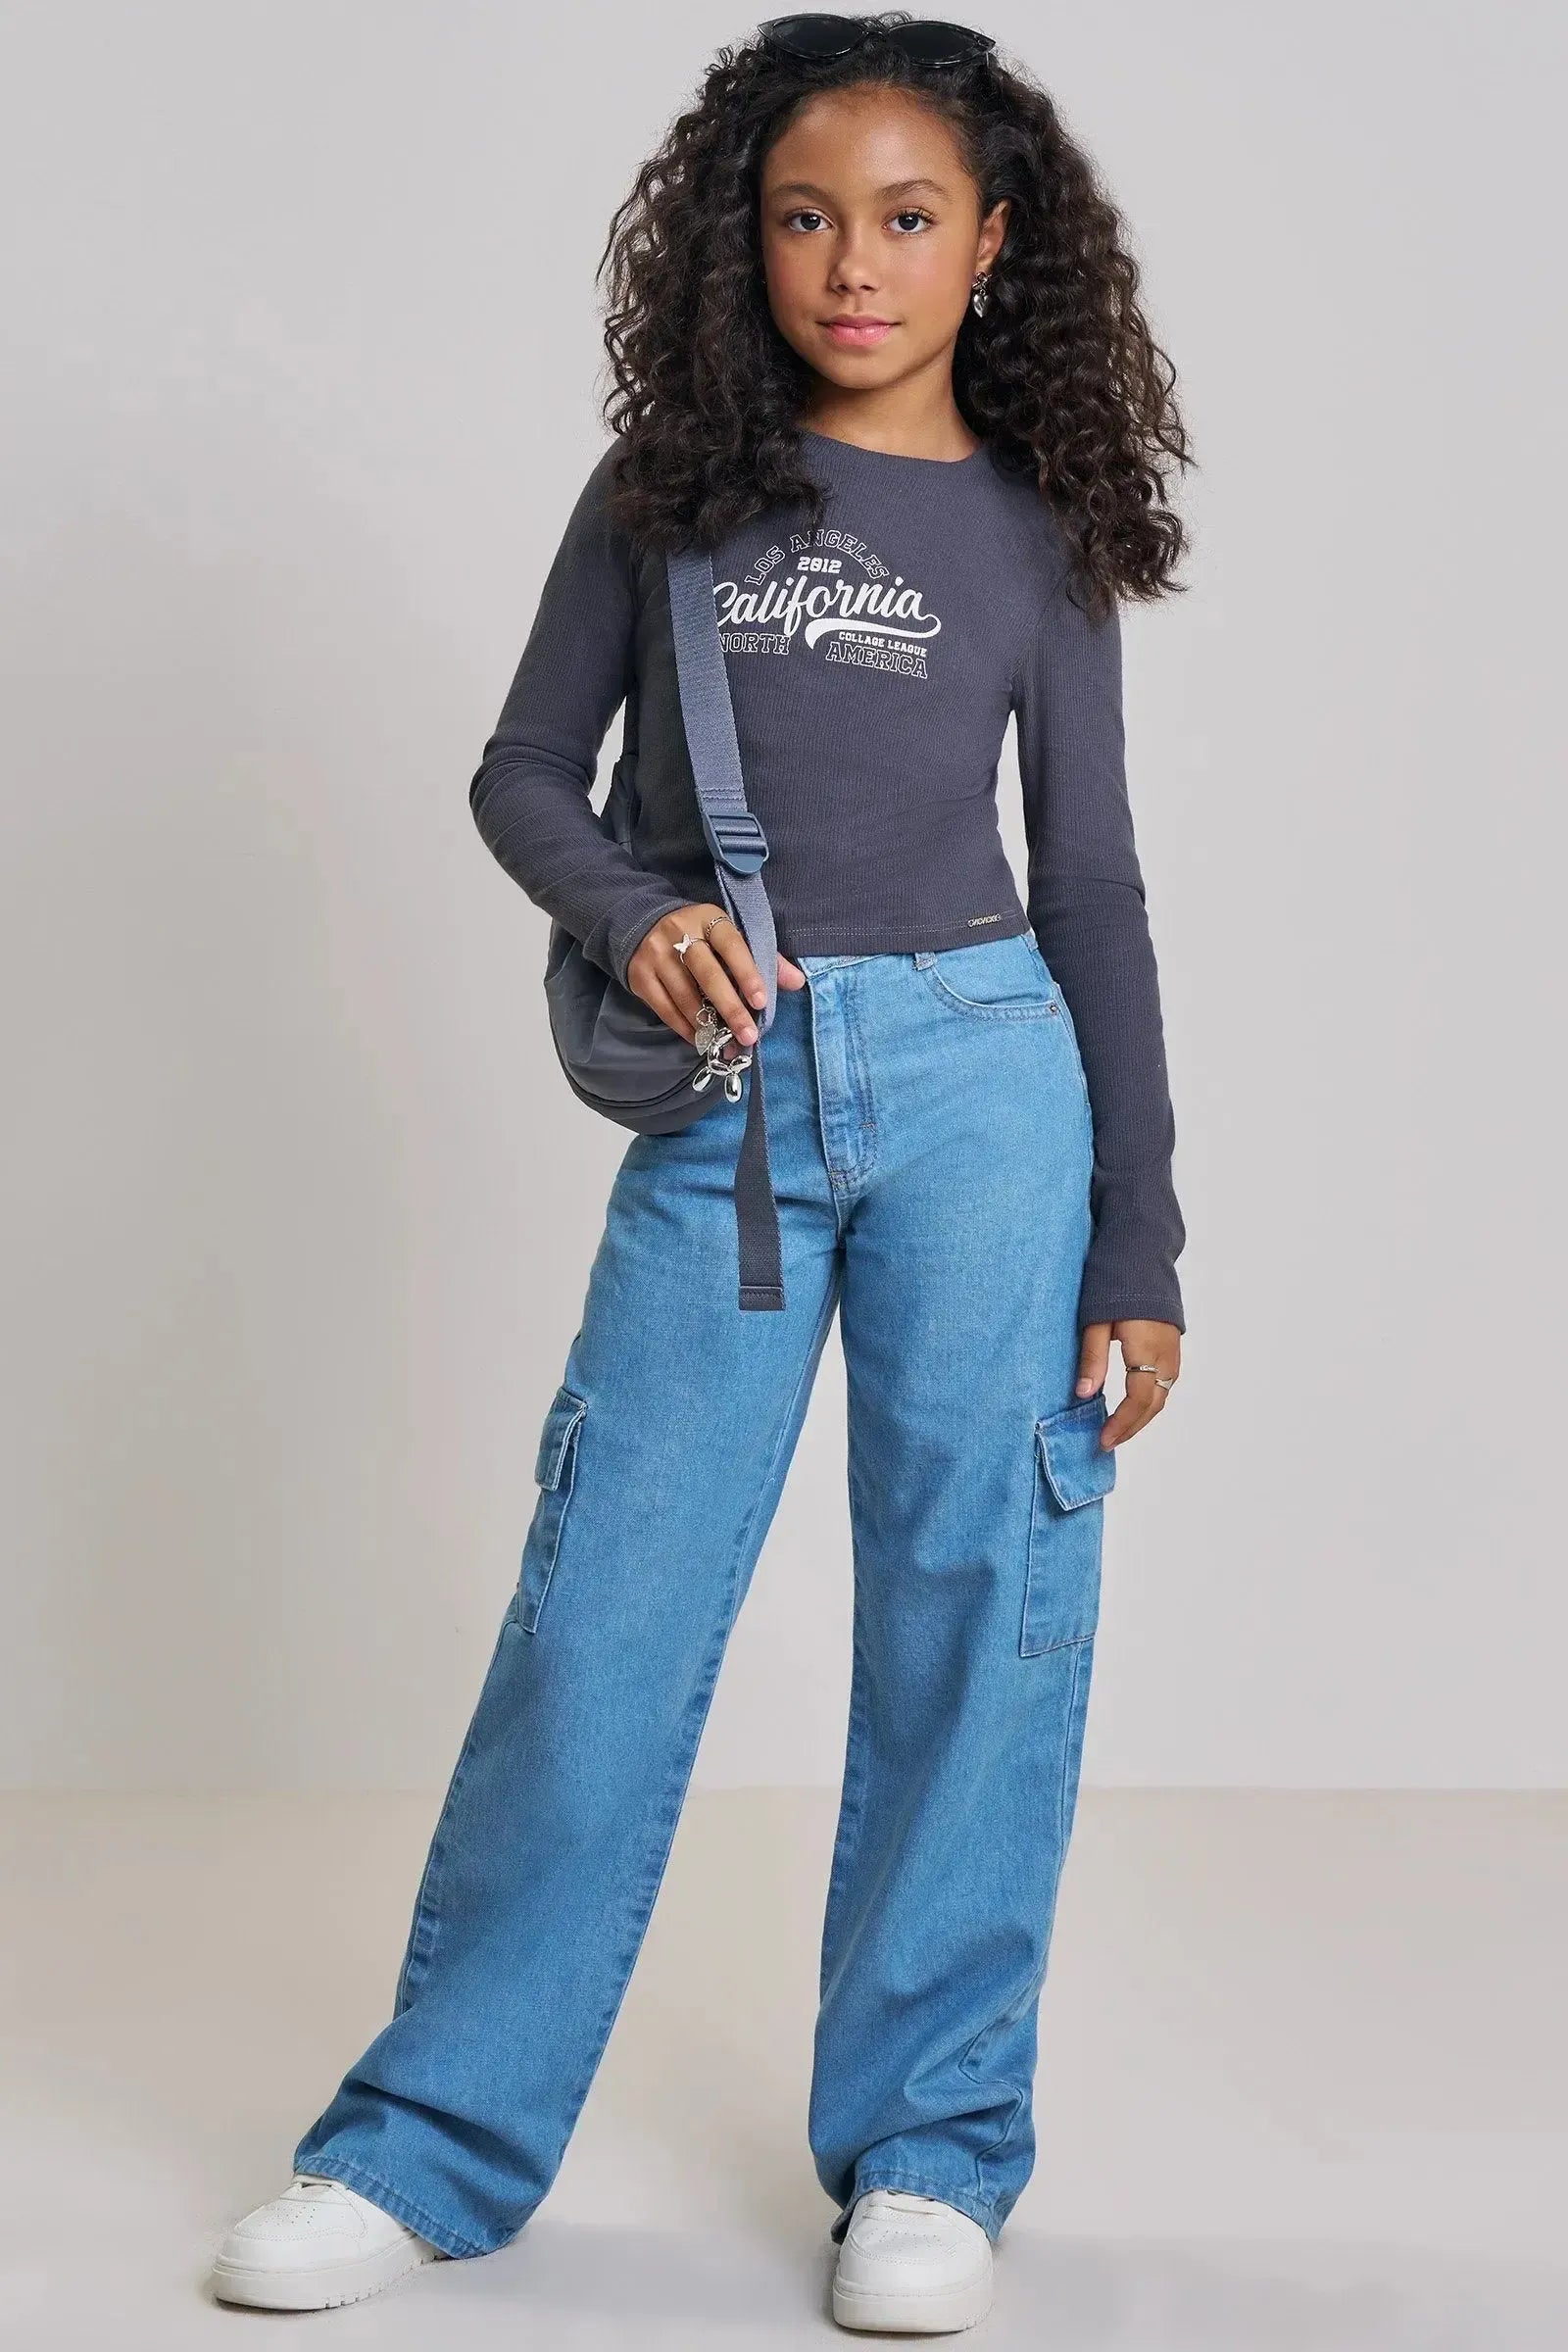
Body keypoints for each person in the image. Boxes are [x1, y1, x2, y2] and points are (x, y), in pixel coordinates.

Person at [210, 10, 1189, 2331]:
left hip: (984, 1085)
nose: (853, 264)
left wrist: (1134, 1233)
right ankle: (425, 2146)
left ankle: (928, 2156)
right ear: (737, 240)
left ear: (992, 242)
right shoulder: (667, 493)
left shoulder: (1032, 529)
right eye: (803, 217)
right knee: (605, 1616)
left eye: (906, 219)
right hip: (730, 1095)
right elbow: (523, 769)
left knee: (974, 1615)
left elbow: (1090, 887)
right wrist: (631, 911)